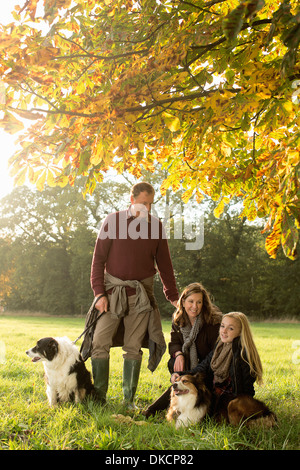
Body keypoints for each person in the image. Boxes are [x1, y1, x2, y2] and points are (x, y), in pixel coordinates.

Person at [89, 182, 179, 407]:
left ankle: (128, 401)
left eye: (150, 204)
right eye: (142, 203)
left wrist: (174, 296)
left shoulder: (156, 227)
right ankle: (99, 398)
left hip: (141, 296)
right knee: (99, 341)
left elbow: (165, 265)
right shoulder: (113, 221)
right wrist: (99, 294)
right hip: (111, 294)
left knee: (133, 346)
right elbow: (98, 260)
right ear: (132, 200)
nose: (147, 208)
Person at [143, 282, 222, 416]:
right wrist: (179, 354)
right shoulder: (178, 319)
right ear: (183, 301)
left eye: (199, 302)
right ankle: (172, 400)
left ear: (204, 304)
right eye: (191, 301)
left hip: (208, 367)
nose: (194, 306)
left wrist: (190, 372)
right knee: (173, 363)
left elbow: (214, 354)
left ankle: (151, 411)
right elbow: (174, 343)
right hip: (188, 364)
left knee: (185, 379)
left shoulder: (212, 321)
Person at [171, 311, 263, 421]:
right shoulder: (219, 347)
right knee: (180, 384)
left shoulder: (244, 355)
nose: (224, 331)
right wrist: (180, 374)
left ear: (240, 332)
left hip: (230, 399)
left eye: (231, 328)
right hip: (215, 395)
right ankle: (153, 411)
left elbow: (247, 389)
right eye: (222, 326)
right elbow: (201, 368)